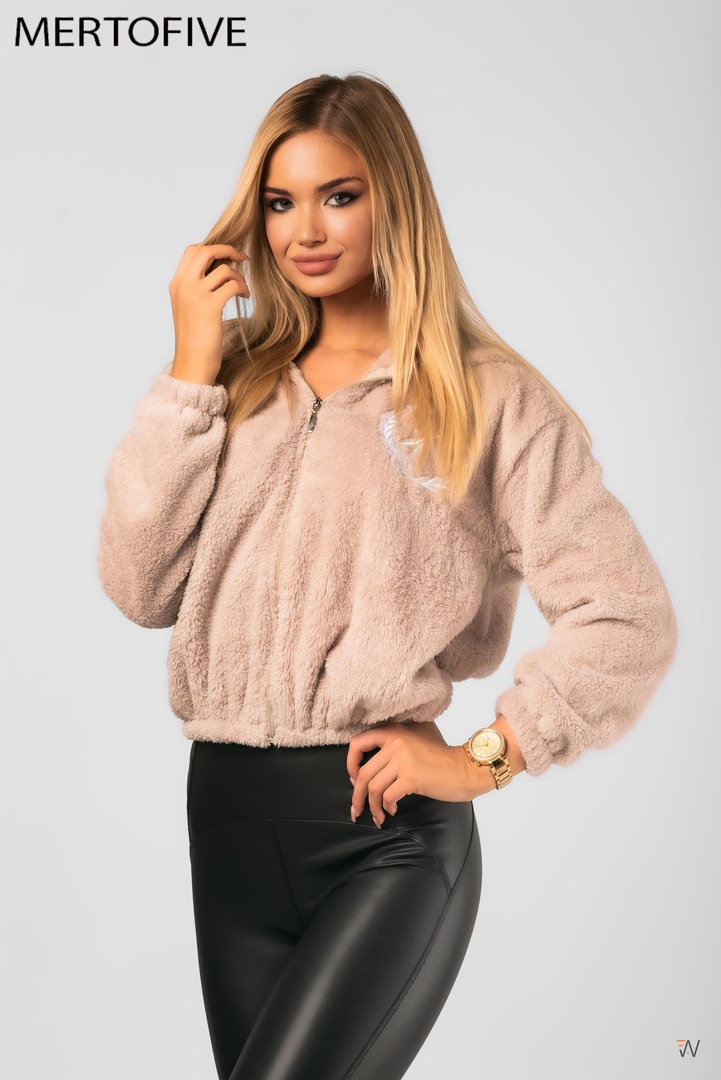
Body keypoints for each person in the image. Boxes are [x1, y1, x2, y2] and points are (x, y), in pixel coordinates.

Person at [97, 72, 678, 1080]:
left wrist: (487, 759)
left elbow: (626, 615)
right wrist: (191, 366)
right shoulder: (232, 386)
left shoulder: (485, 399)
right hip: (225, 824)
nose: (305, 231)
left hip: (385, 840)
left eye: (340, 195)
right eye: (280, 202)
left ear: (394, 200)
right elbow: (140, 586)